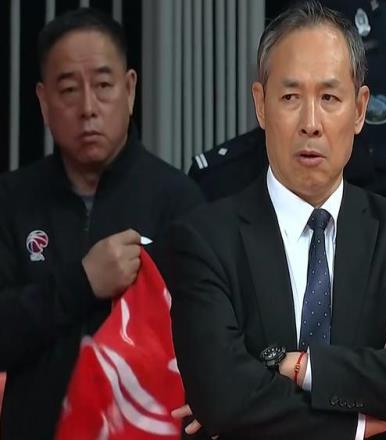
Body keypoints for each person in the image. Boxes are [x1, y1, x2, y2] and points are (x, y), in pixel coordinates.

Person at [166, 2, 386, 439]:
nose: (311, 123)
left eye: (329, 98)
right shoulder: (206, 239)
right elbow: (223, 398)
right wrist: (363, 416)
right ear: (261, 105)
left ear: (359, 110)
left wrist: (300, 367)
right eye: (290, 97)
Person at [0, 8, 203, 439]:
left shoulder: (179, 201)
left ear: (130, 90)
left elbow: (209, 339)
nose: (88, 108)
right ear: (43, 102)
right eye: (69, 90)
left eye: (104, 86)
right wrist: (81, 283)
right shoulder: (12, 200)